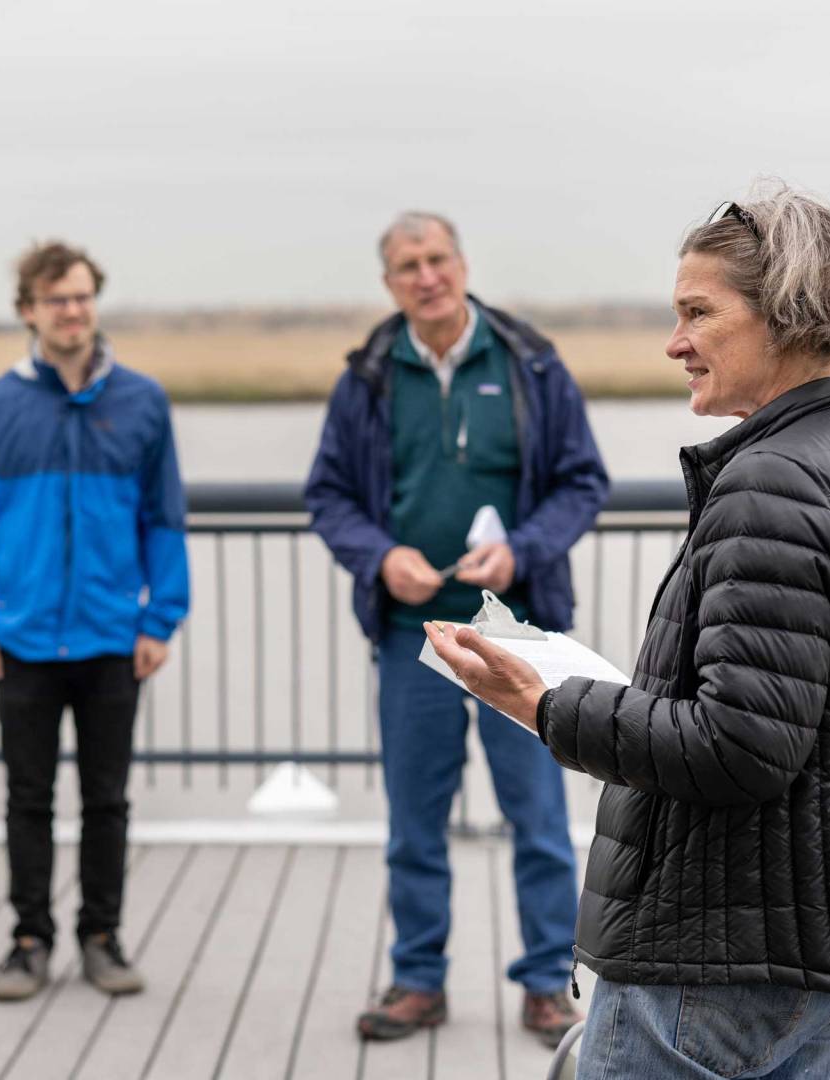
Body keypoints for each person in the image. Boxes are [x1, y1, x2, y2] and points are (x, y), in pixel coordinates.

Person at [426, 186, 830, 1079]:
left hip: (711, 956)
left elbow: (740, 747)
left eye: (698, 313)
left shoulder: (773, 485)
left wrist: (547, 702)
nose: (675, 343)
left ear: (784, 316)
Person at [305, 211, 608, 1048]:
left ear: (462, 264)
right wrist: (377, 555)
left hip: (519, 632)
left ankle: (550, 983)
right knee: (414, 817)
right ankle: (417, 979)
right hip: (412, 631)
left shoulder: (531, 365)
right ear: (389, 283)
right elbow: (328, 497)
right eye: (407, 265)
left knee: (539, 816)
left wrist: (525, 550)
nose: (426, 276)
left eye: (437, 259)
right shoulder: (366, 376)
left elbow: (584, 481)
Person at [0, 240, 189, 1002]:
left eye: (82, 296)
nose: (72, 310)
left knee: (107, 798)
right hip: (19, 638)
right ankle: (28, 939)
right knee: (27, 797)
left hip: (113, 635)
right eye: (56, 299)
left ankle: (101, 935)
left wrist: (161, 619)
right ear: (28, 310)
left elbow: (165, 520)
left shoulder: (142, 401)